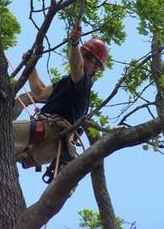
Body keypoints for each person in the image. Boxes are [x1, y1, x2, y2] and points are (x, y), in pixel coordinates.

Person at [12, 24, 109, 178]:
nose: (82, 58)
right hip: (42, 149)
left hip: (50, 134)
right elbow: (40, 92)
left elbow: (77, 67)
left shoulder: (84, 84)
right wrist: (31, 65)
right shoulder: (66, 82)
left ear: (95, 67)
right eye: (83, 54)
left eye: (87, 57)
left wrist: (75, 43)